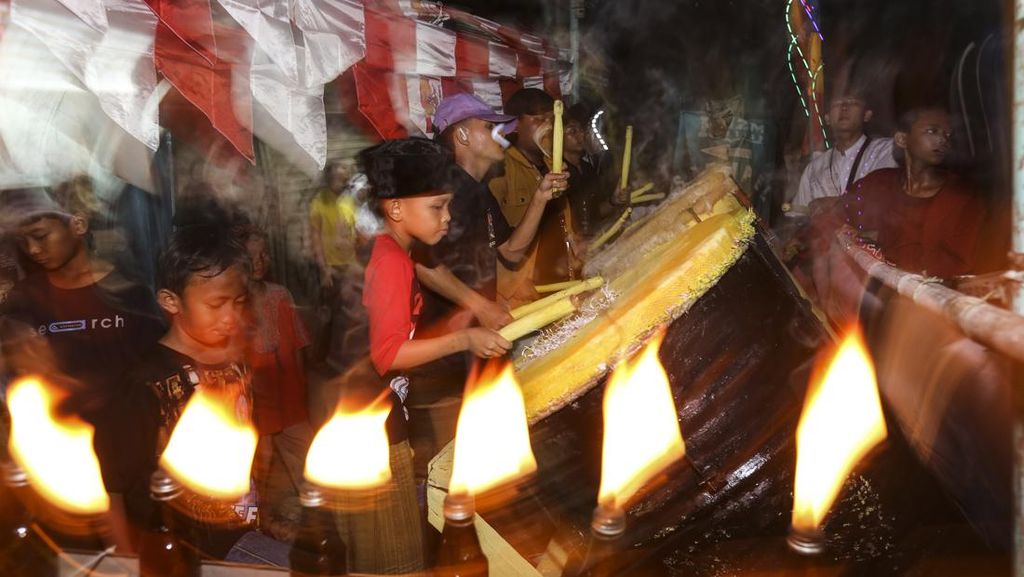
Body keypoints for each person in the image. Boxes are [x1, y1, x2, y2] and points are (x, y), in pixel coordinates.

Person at [353, 137, 510, 573]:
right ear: (396, 208)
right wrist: (462, 340)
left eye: (448, 205)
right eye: (437, 207)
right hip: (371, 423)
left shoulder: (396, 250)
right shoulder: (390, 261)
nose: (447, 217)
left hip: (383, 415)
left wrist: (467, 318)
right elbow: (387, 354)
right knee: (395, 552)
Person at [402, 93, 565, 475]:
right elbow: (423, 265)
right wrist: (481, 305)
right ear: (461, 137)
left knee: (481, 472)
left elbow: (510, 251)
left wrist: (541, 197)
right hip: (442, 367)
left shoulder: (480, 194)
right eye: (490, 128)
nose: (501, 137)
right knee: (449, 472)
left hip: (474, 354)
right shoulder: (444, 194)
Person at [0, 181, 166, 550]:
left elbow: (153, 379)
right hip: (66, 465)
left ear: (78, 223)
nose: (32, 249)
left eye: (40, 235)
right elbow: (23, 378)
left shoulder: (132, 293)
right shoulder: (26, 299)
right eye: (23, 240)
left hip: (132, 462)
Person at [119, 225, 262, 558]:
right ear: (171, 301)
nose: (231, 317)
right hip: (182, 549)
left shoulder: (236, 360)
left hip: (240, 533)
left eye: (239, 302)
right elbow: (116, 485)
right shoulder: (146, 381)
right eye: (216, 305)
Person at [832, 105, 985, 278]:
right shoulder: (878, 182)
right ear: (902, 139)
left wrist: (880, 238)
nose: (943, 139)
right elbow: (836, 218)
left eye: (947, 135)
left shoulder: (961, 197)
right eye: (932, 131)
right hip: (869, 295)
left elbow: (953, 266)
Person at [242, 227, 312, 542]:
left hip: (287, 392)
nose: (259, 262)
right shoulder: (234, 301)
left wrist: (301, 392)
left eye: (264, 254)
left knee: (304, 452)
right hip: (256, 395)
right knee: (261, 460)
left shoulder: (279, 295)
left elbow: (296, 347)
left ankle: (317, 514)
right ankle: (257, 519)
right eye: (250, 256)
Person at [489, 88, 577, 304]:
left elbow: (561, 219)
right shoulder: (500, 169)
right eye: (539, 120)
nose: (548, 126)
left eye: (552, 119)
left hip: (558, 279)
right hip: (522, 292)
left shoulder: (553, 164)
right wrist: (508, 286)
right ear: (515, 124)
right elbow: (494, 241)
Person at [791, 88, 897, 215]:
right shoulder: (814, 168)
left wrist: (838, 203)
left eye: (853, 103)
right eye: (837, 104)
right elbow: (797, 216)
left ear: (866, 115)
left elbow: (890, 201)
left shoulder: (888, 151)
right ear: (827, 118)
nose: (844, 108)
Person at [308, 159, 361, 372]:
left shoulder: (350, 200)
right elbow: (315, 237)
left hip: (350, 266)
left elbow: (356, 232)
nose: (345, 174)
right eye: (340, 170)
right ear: (330, 174)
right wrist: (324, 270)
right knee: (328, 316)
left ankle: (344, 360)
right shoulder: (320, 202)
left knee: (349, 314)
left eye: (347, 171)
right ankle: (320, 360)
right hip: (331, 268)